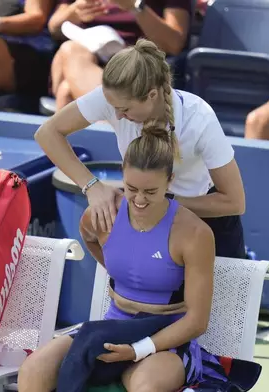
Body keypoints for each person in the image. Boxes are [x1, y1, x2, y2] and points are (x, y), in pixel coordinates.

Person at [18, 124, 229, 391]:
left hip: (167, 339)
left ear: (170, 180)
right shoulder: (102, 217)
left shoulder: (194, 234)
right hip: (111, 328)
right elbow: (92, 239)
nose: (139, 200)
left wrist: (137, 350)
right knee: (34, 369)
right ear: (122, 176)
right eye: (131, 189)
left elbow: (197, 321)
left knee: (146, 386)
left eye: (150, 192)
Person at [34, 38, 246, 259]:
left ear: (151, 95)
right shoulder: (113, 99)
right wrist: (93, 186)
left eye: (125, 109)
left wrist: (164, 205)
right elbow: (47, 133)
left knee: (203, 294)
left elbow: (234, 202)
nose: (116, 116)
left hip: (207, 223)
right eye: (113, 108)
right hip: (146, 215)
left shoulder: (200, 119)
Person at [47, 0, 192, 110]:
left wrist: (135, 7)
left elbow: (174, 44)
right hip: (87, 58)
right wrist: (73, 12)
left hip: (135, 65)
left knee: (66, 88)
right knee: (71, 53)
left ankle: (115, 125)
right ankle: (120, 128)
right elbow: (54, 26)